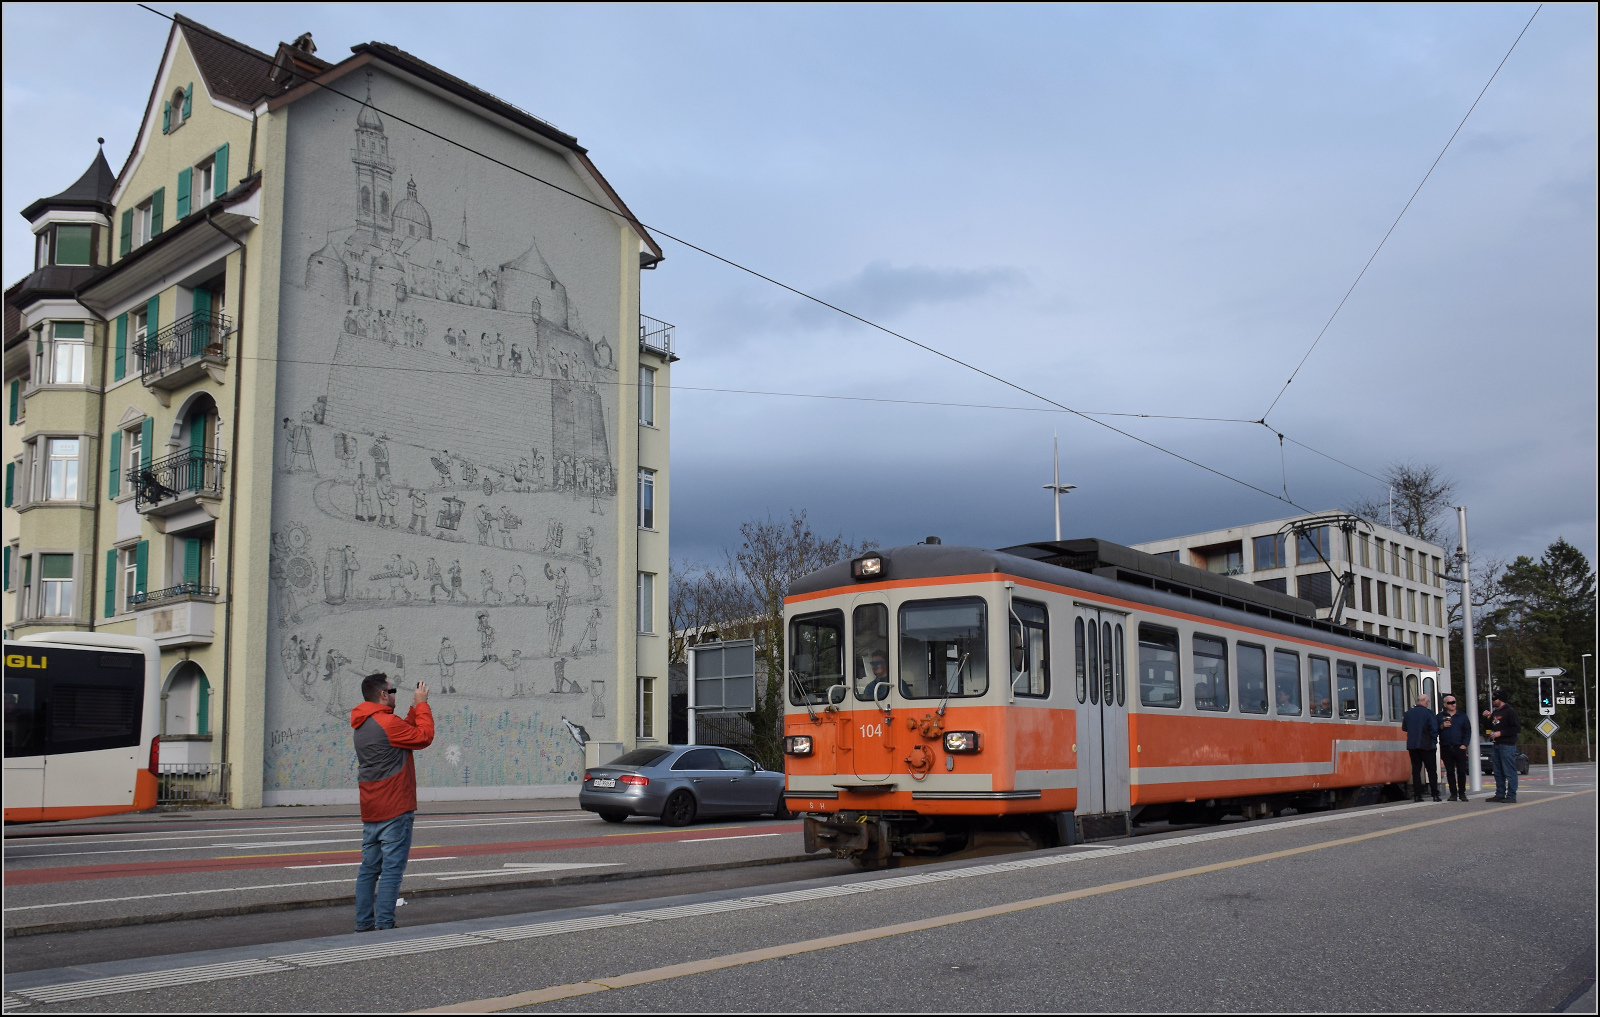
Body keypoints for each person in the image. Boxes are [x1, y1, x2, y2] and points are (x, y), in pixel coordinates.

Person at [351, 673, 433, 932]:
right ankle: (385, 923)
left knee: (369, 869)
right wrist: (422, 704)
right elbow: (423, 736)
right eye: (393, 690)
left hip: (372, 807)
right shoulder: (386, 722)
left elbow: (402, 733)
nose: (395, 694)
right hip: (395, 806)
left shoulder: (364, 723)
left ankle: (364, 923)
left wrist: (411, 708)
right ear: (383, 695)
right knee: (391, 870)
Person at [1401, 692, 1440, 802]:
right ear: (1426, 702)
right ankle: (1435, 795)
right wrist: (1434, 741)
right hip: (1427, 745)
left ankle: (1417, 795)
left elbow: (1404, 728)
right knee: (1431, 770)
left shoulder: (1408, 713)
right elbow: (1434, 729)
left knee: (1416, 771)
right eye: (1428, 701)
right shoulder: (1429, 713)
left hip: (1412, 746)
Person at [1483, 690, 1521, 803]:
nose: (1493, 701)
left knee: (1509, 771)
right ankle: (1500, 793)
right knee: (1498, 771)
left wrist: (1501, 733)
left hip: (1507, 745)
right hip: (1496, 744)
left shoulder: (1510, 711)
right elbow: (1489, 726)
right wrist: (1487, 718)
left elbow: (1516, 728)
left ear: (1500, 699)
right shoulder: (1495, 713)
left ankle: (1511, 795)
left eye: (1494, 699)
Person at [1437, 694, 1472, 801]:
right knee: (1450, 772)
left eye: (1454, 702)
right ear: (1445, 704)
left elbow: (1468, 731)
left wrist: (1465, 744)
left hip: (1459, 747)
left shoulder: (1462, 716)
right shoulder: (1439, 717)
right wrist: (1442, 726)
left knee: (1461, 771)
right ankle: (1453, 794)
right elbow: (1434, 730)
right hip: (1446, 747)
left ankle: (1462, 793)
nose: (1453, 705)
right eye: (1450, 703)